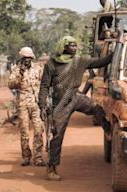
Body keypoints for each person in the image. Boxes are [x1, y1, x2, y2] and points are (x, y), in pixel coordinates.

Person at [38, 36, 113, 181]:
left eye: (75, 45)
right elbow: (44, 86)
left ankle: (107, 130)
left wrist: (116, 52)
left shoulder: (80, 61)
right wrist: (42, 105)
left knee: (96, 108)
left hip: (75, 97)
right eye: (71, 45)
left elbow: (100, 62)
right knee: (57, 136)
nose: (74, 48)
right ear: (63, 47)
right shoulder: (51, 64)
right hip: (60, 104)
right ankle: (51, 169)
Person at [8, 47, 45, 167]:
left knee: (39, 130)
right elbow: (11, 85)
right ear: (21, 58)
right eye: (25, 58)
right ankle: (26, 157)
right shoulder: (16, 70)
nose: (27, 60)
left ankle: (38, 157)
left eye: (29, 58)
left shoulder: (38, 69)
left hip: (36, 104)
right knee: (24, 131)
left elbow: (44, 84)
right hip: (23, 104)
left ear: (32, 58)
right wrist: (20, 73)